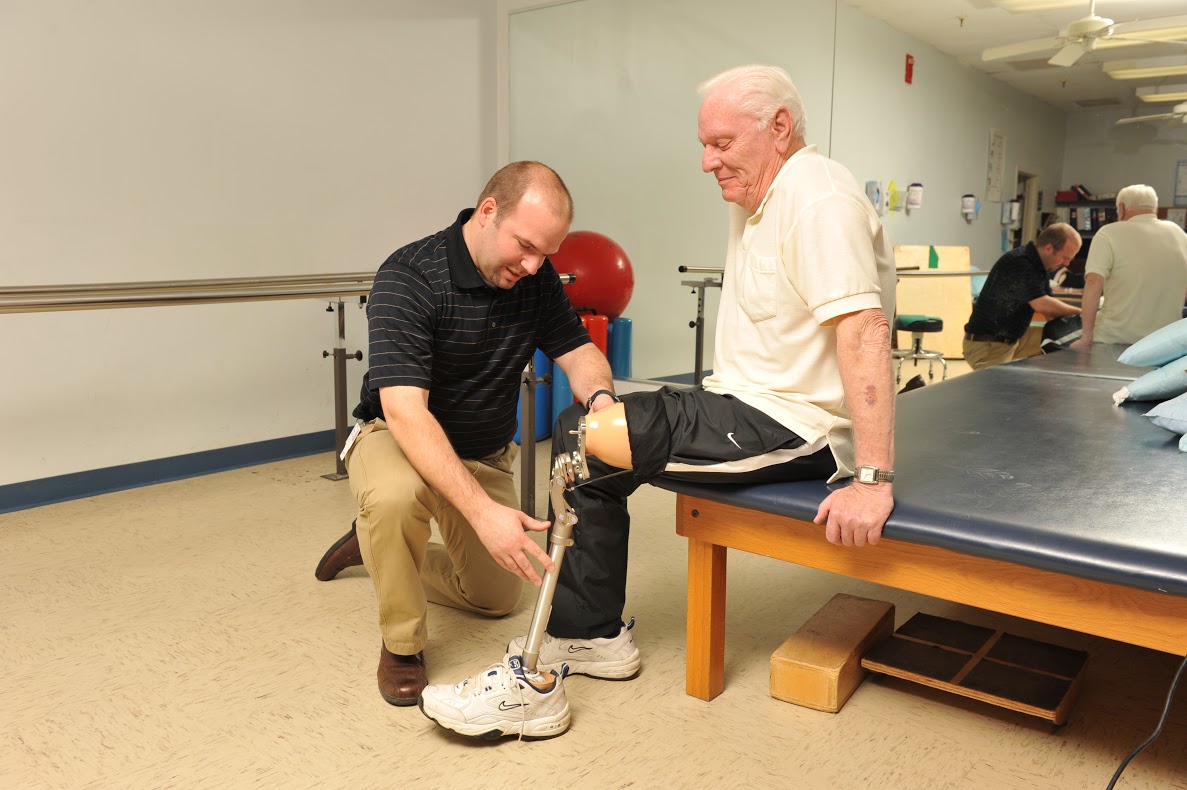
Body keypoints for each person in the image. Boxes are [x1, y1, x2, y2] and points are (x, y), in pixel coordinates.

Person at [419, 64, 898, 740]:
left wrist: (872, 479)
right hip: (745, 406)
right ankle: (592, 635)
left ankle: (539, 678)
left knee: (585, 448)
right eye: (705, 144)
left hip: (799, 430)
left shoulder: (817, 198)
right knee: (585, 428)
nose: (708, 162)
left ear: (780, 128)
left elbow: (864, 329)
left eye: (723, 143)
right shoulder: (764, 196)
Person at [313, 161, 616, 707]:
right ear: (487, 211)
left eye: (545, 254)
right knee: (394, 498)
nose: (531, 265)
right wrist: (482, 515)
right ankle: (402, 646)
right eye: (524, 246)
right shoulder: (408, 277)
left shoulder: (535, 279)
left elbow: (581, 353)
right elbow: (406, 413)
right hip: (395, 437)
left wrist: (601, 401)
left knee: (497, 597)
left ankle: (373, 545)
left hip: (483, 452)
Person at [1071, 185, 1187, 348]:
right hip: (1164, 343)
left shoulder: (1108, 233)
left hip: (1115, 338)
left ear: (1122, 208)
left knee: (1054, 337)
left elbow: (1093, 282)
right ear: (1154, 208)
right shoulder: (1180, 234)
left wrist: (1086, 337)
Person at [961, 223, 1083, 370]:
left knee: (1061, 337)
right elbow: (1041, 304)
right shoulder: (1020, 262)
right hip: (989, 345)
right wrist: (1082, 313)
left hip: (1014, 338)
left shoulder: (1039, 268)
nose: (1067, 264)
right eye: (1065, 258)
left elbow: (1050, 313)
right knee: (997, 391)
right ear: (1049, 248)